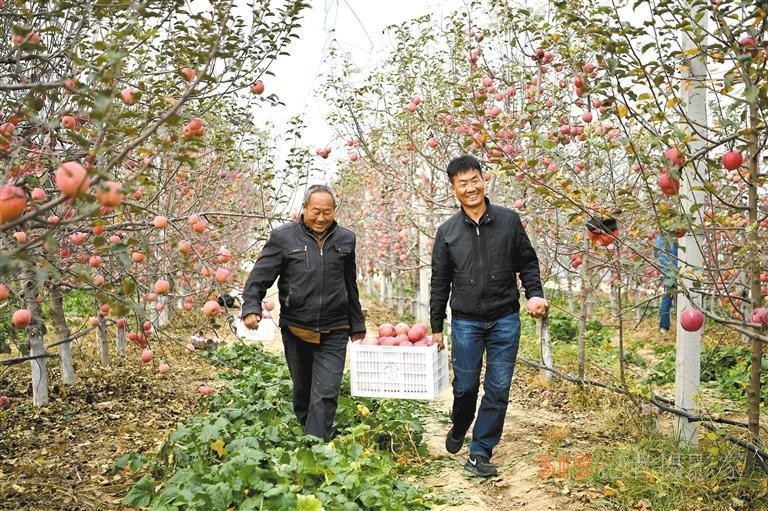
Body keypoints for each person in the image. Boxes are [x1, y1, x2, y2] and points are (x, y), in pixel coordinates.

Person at [430, 155, 549, 478]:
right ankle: (460, 424)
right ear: (453, 188)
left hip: (504, 318)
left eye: (474, 181)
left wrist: (534, 293)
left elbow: (528, 262)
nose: (470, 188)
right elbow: (440, 281)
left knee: (498, 388)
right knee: (465, 387)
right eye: (462, 183)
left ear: (485, 180)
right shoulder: (447, 232)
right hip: (466, 321)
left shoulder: (509, 221)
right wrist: (436, 325)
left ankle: (480, 450)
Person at [241, 184, 366, 441]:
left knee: (326, 392)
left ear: (334, 211)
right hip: (297, 327)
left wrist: (357, 325)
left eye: (327, 212)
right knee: (303, 390)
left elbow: (349, 283)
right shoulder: (283, 237)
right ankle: (308, 428)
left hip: (335, 328)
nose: (321, 218)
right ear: (304, 209)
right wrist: (251, 305)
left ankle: (315, 447)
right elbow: (260, 276)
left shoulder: (346, 239)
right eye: (316, 211)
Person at [654, 232, 678, 333]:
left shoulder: (658, 239)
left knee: (666, 298)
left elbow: (655, 255)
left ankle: (664, 326)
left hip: (665, 272)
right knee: (683, 297)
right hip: (676, 271)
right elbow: (678, 254)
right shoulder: (674, 238)